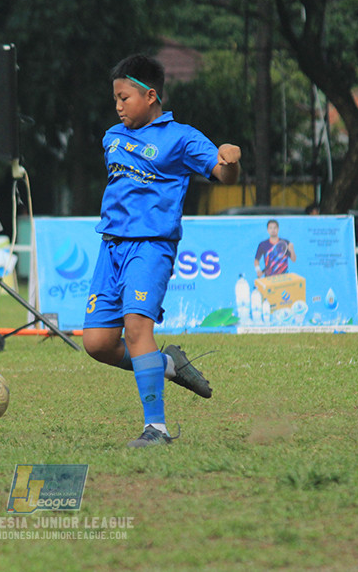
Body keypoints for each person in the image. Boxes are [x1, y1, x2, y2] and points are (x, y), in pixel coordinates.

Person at [81, 54, 241, 448]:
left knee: (137, 330)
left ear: (151, 96)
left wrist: (231, 160)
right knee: (97, 344)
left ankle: (158, 428)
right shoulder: (111, 137)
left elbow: (223, 174)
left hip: (151, 247)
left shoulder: (182, 138)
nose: (118, 107)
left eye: (125, 98)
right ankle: (168, 364)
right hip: (110, 247)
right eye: (115, 99)